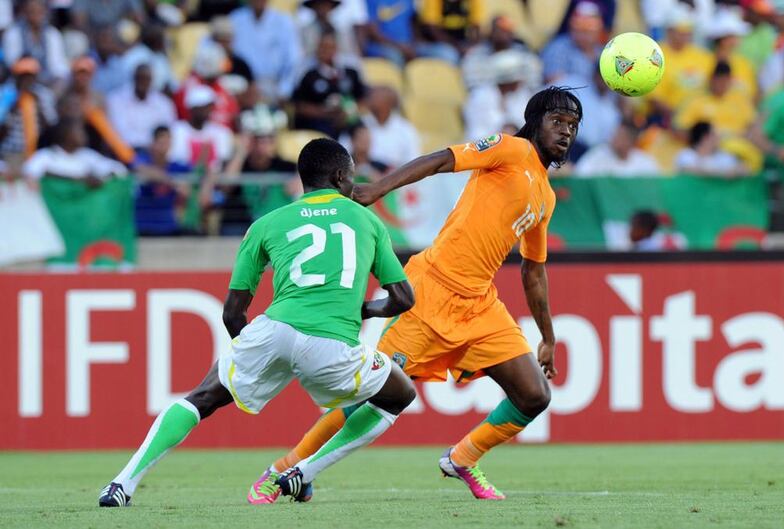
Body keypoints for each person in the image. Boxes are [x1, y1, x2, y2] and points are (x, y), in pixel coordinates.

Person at [254, 86, 581, 502]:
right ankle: (281, 470)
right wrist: (377, 190)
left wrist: (548, 337)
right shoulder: (509, 149)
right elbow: (442, 159)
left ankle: (462, 458)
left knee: (534, 395)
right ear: (535, 123)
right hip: (431, 290)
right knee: (371, 395)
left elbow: (533, 272)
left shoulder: (546, 196)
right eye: (557, 121)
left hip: (480, 305)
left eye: (572, 125)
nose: (566, 132)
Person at [98, 137, 417, 507]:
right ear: (339, 175)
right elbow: (403, 299)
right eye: (352, 179)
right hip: (334, 343)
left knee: (202, 397)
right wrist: (361, 310)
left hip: (274, 329)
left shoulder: (267, 223)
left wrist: (258, 353)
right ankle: (303, 472)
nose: (355, 187)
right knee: (399, 395)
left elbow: (233, 312)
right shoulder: (367, 219)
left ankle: (122, 484)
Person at [292, 29, 367, 138]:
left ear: (336, 49)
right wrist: (325, 113)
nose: (325, 51)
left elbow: (362, 98)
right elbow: (300, 106)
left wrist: (349, 111)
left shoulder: (350, 73)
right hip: (319, 122)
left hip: (347, 118)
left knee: (361, 131)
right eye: (322, 47)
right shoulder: (308, 76)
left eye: (330, 47)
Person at [647, 6, 714, 118]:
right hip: (667, 119)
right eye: (681, 31)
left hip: (702, 117)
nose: (685, 36)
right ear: (669, 31)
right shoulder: (655, 56)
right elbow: (654, 99)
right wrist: (681, 117)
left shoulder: (703, 56)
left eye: (688, 31)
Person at [229, 0, 302, 103]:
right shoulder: (235, 19)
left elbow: (293, 59)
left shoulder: (283, 21)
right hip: (241, 87)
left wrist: (284, 89)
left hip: (273, 86)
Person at [23, 118, 127, 186]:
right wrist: (78, 180)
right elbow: (30, 174)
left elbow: (118, 170)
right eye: (79, 131)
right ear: (65, 134)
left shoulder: (87, 155)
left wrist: (104, 178)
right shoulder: (46, 156)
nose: (83, 134)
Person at [464, 50, 535, 141]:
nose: (520, 82)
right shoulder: (480, 97)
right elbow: (475, 133)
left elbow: (526, 125)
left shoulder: (523, 93)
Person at [674, 61, 756, 138]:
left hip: (736, 147)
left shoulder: (740, 100)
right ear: (712, 79)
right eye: (719, 80)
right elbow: (679, 128)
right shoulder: (696, 99)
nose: (721, 85)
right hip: (704, 147)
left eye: (725, 81)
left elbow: (753, 125)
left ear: (730, 81)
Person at [107, 63, 177, 152]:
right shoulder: (116, 99)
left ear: (152, 80)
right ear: (134, 78)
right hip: (126, 151)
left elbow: (167, 131)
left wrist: (154, 146)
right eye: (140, 78)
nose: (143, 82)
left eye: (146, 79)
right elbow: (119, 132)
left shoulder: (163, 103)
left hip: (155, 152)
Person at [462, 15, 542, 90]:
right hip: (490, 97)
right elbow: (472, 85)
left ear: (512, 33)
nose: (501, 33)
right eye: (498, 29)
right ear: (491, 32)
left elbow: (534, 83)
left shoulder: (524, 54)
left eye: (505, 29)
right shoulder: (477, 54)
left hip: (517, 97)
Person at [0, 57, 57, 163]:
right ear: (16, 76)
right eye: (23, 76)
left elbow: (52, 128)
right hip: (9, 152)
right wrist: (13, 107)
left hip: (38, 154)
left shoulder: (44, 94)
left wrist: (39, 106)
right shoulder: (5, 93)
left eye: (30, 76)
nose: (26, 80)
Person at [2, 0, 69, 88]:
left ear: (45, 12)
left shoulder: (52, 34)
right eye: (32, 11)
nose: (35, 15)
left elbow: (58, 67)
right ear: (25, 12)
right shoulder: (13, 33)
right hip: (20, 80)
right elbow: (12, 63)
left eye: (39, 11)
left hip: (47, 82)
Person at [540, 1, 603, 84]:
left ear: (598, 31)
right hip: (568, 95)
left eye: (588, 32)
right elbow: (553, 82)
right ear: (571, 28)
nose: (583, 36)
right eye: (579, 30)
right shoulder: (558, 48)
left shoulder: (602, 51)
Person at [361, 85, 421, 167]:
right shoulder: (360, 124)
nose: (370, 100)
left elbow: (413, 163)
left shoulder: (405, 130)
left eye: (376, 97)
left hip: (396, 176)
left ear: (389, 103)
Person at [574, 122, 661, 177]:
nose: (614, 138)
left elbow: (655, 185)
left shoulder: (645, 161)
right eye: (615, 134)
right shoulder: (598, 155)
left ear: (631, 142)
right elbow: (580, 175)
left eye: (621, 137)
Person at [418, 0, 484, 64]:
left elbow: (477, 27)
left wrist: (470, 47)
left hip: (461, 42)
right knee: (451, 56)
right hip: (435, 43)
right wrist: (457, 47)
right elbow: (432, 29)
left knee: (478, 55)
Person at [674, 121, 749, 177]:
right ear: (706, 137)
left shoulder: (723, 156)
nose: (719, 138)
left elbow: (745, 169)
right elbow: (687, 170)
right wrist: (723, 173)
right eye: (715, 134)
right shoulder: (686, 154)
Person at [120, 23, 176, 94]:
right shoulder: (134, 55)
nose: (164, 42)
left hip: (158, 98)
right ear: (154, 40)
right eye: (162, 39)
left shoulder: (160, 57)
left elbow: (171, 83)